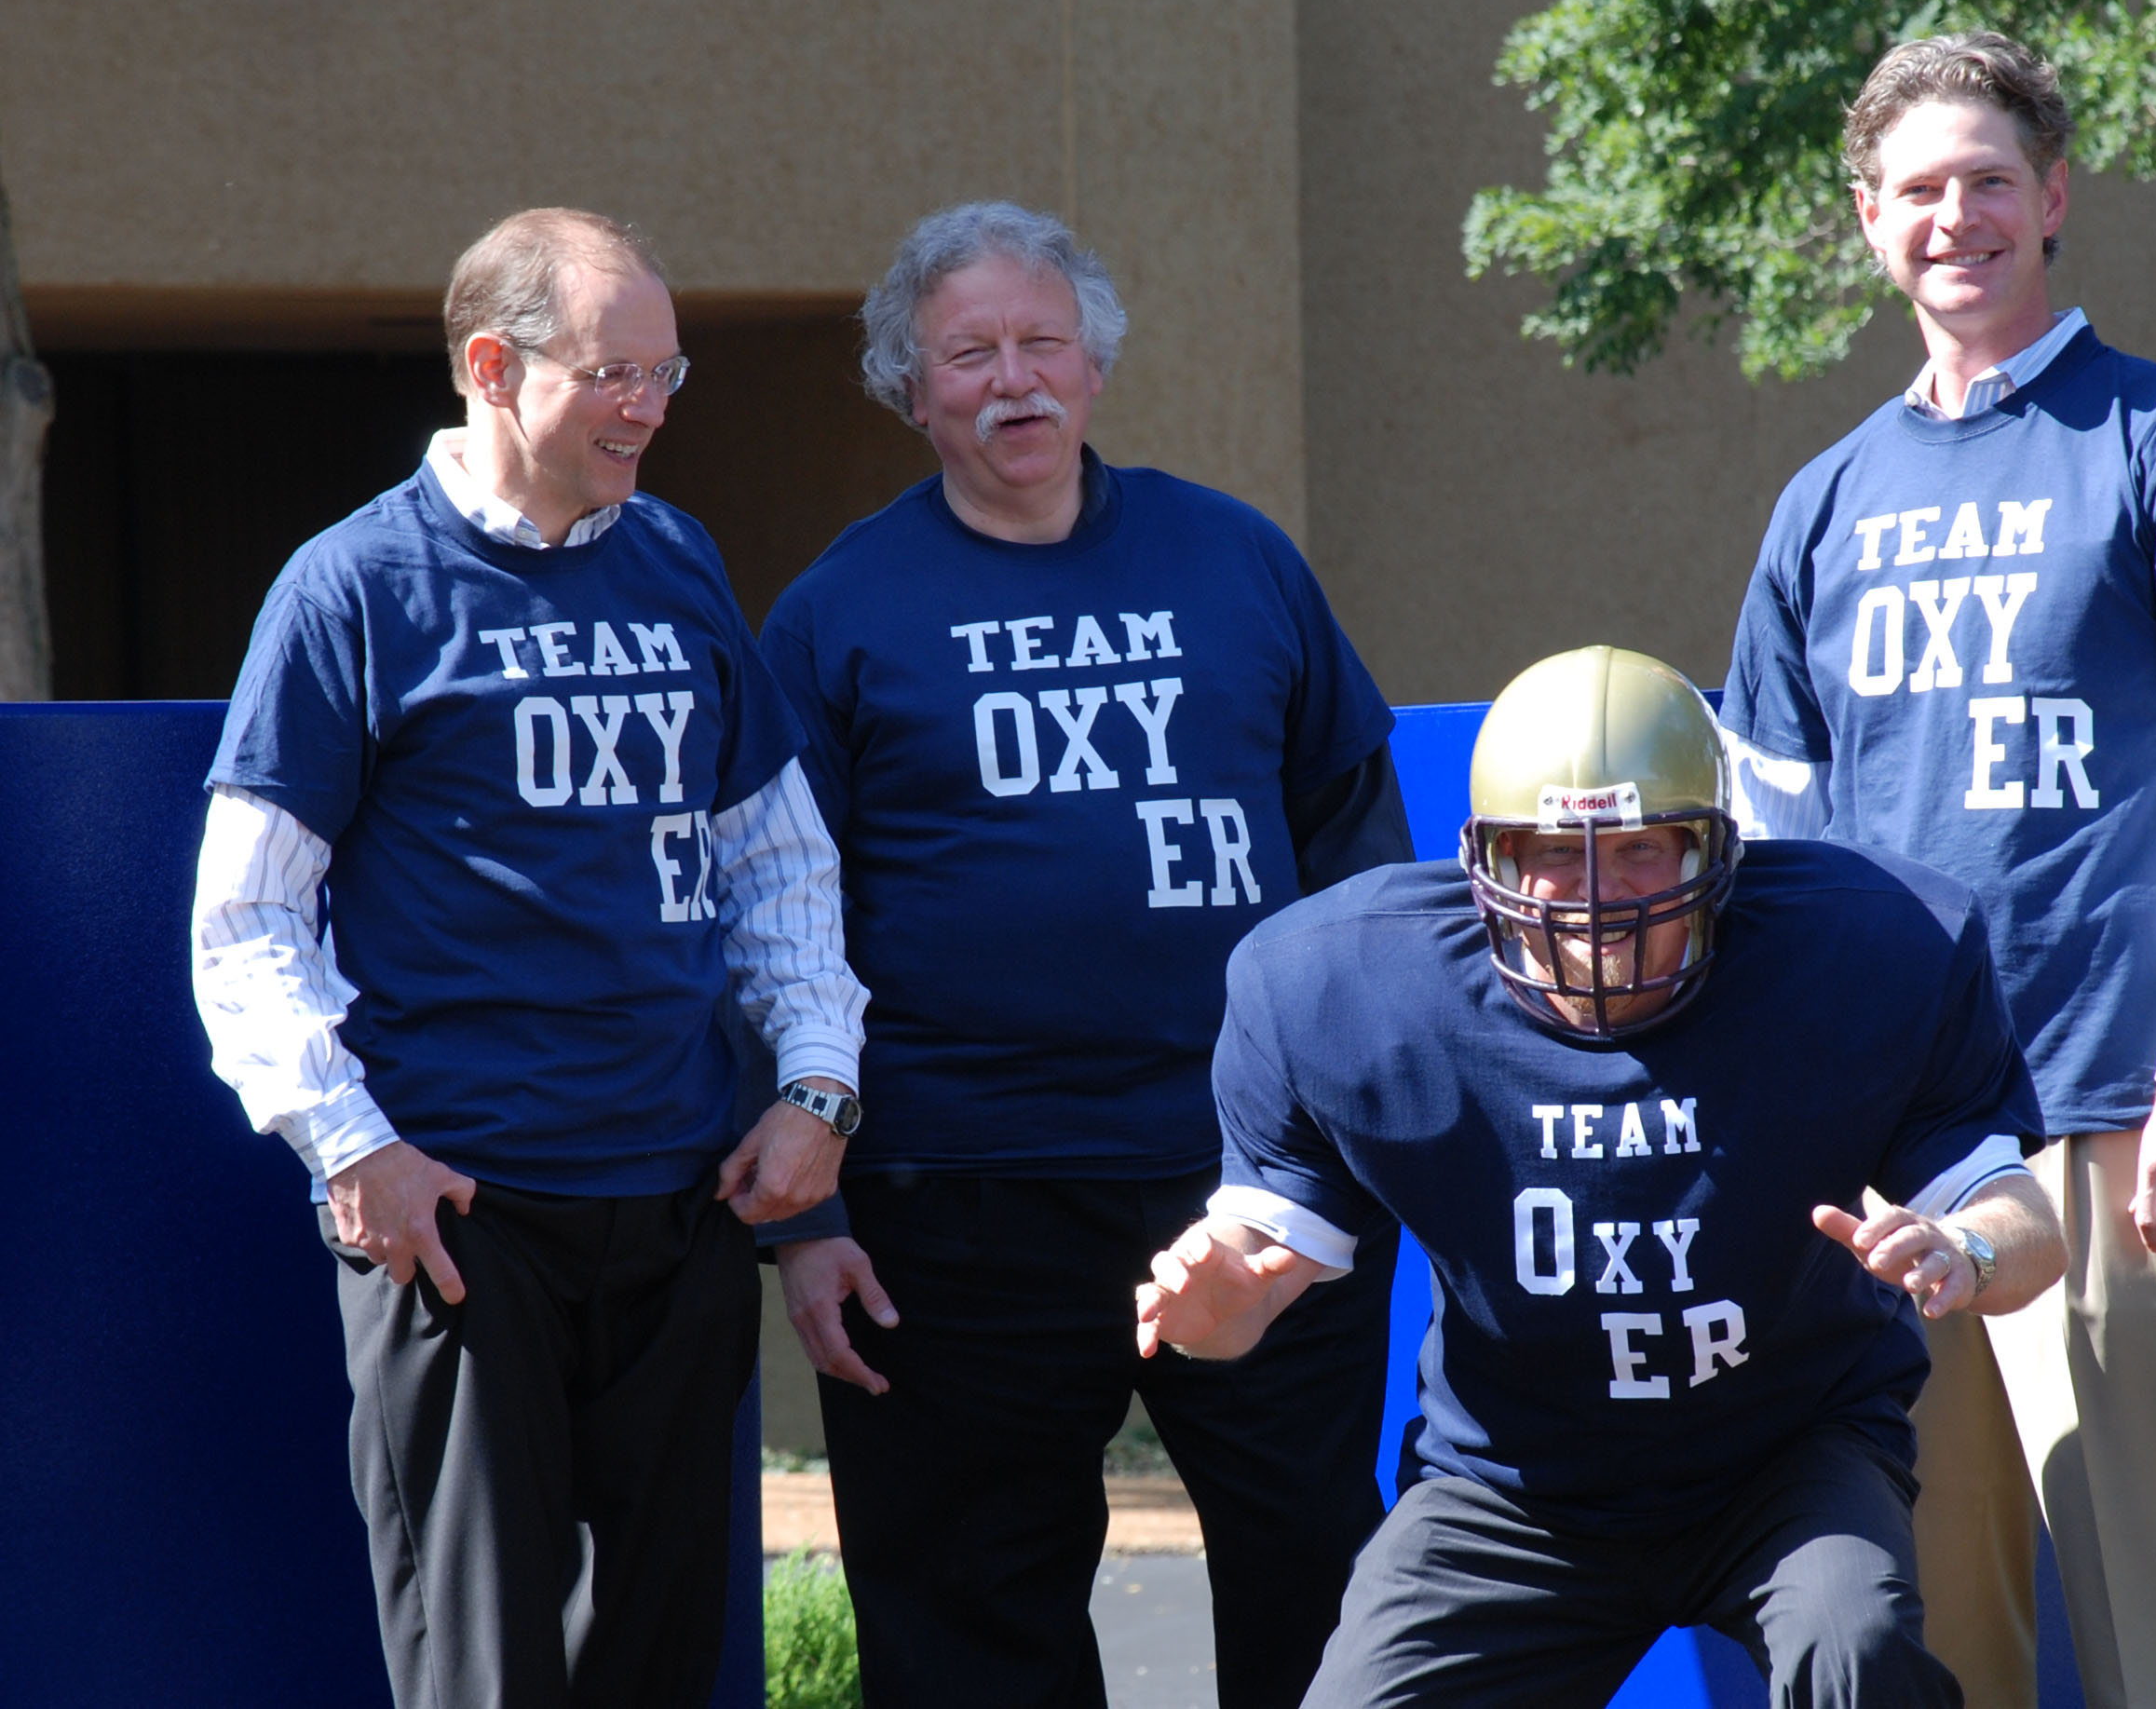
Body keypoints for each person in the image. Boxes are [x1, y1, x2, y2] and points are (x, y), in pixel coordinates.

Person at [189, 208, 869, 1708]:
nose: (648, 408)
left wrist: (817, 1086)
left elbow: (775, 860)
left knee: (658, 1660)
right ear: (491, 367)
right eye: (614, 372)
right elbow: (244, 919)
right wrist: (353, 1149)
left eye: (666, 373)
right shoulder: (351, 588)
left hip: (680, 1204)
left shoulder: (680, 559)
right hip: (461, 1219)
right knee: (483, 1671)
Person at [1717, 32, 2156, 1709]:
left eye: (1991, 180)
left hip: (2112, 1118)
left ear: (2055, 196)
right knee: (1924, 1626)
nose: (1956, 218)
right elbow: (1772, 849)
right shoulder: (1820, 505)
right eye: (1919, 189)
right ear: (1865, 220)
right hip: (1898, 1149)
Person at [1136, 644, 2068, 1709]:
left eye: (1636, 850)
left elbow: (2024, 1221)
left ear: (1714, 851)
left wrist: (1968, 1247)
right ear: (1481, 858)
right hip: (1513, 1486)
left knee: (1852, 1645)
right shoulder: (1340, 982)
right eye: (1545, 850)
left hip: (1785, 1456)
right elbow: (1246, 1285)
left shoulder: (1873, 946)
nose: (1588, 897)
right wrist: (1212, 1309)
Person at [757, 200, 1414, 1708]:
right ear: (910, 390)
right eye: (968, 353)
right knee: (972, 1618)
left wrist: (1358, 1141)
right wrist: (809, 1220)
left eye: (1042, 342)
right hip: (956, 1205)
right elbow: (774, 926)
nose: (1014, 380)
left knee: (1325, 1584)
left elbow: (1362, 863)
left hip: (1255, 1183)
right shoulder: (836, 615)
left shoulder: (1238, 558)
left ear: (1097, 363)